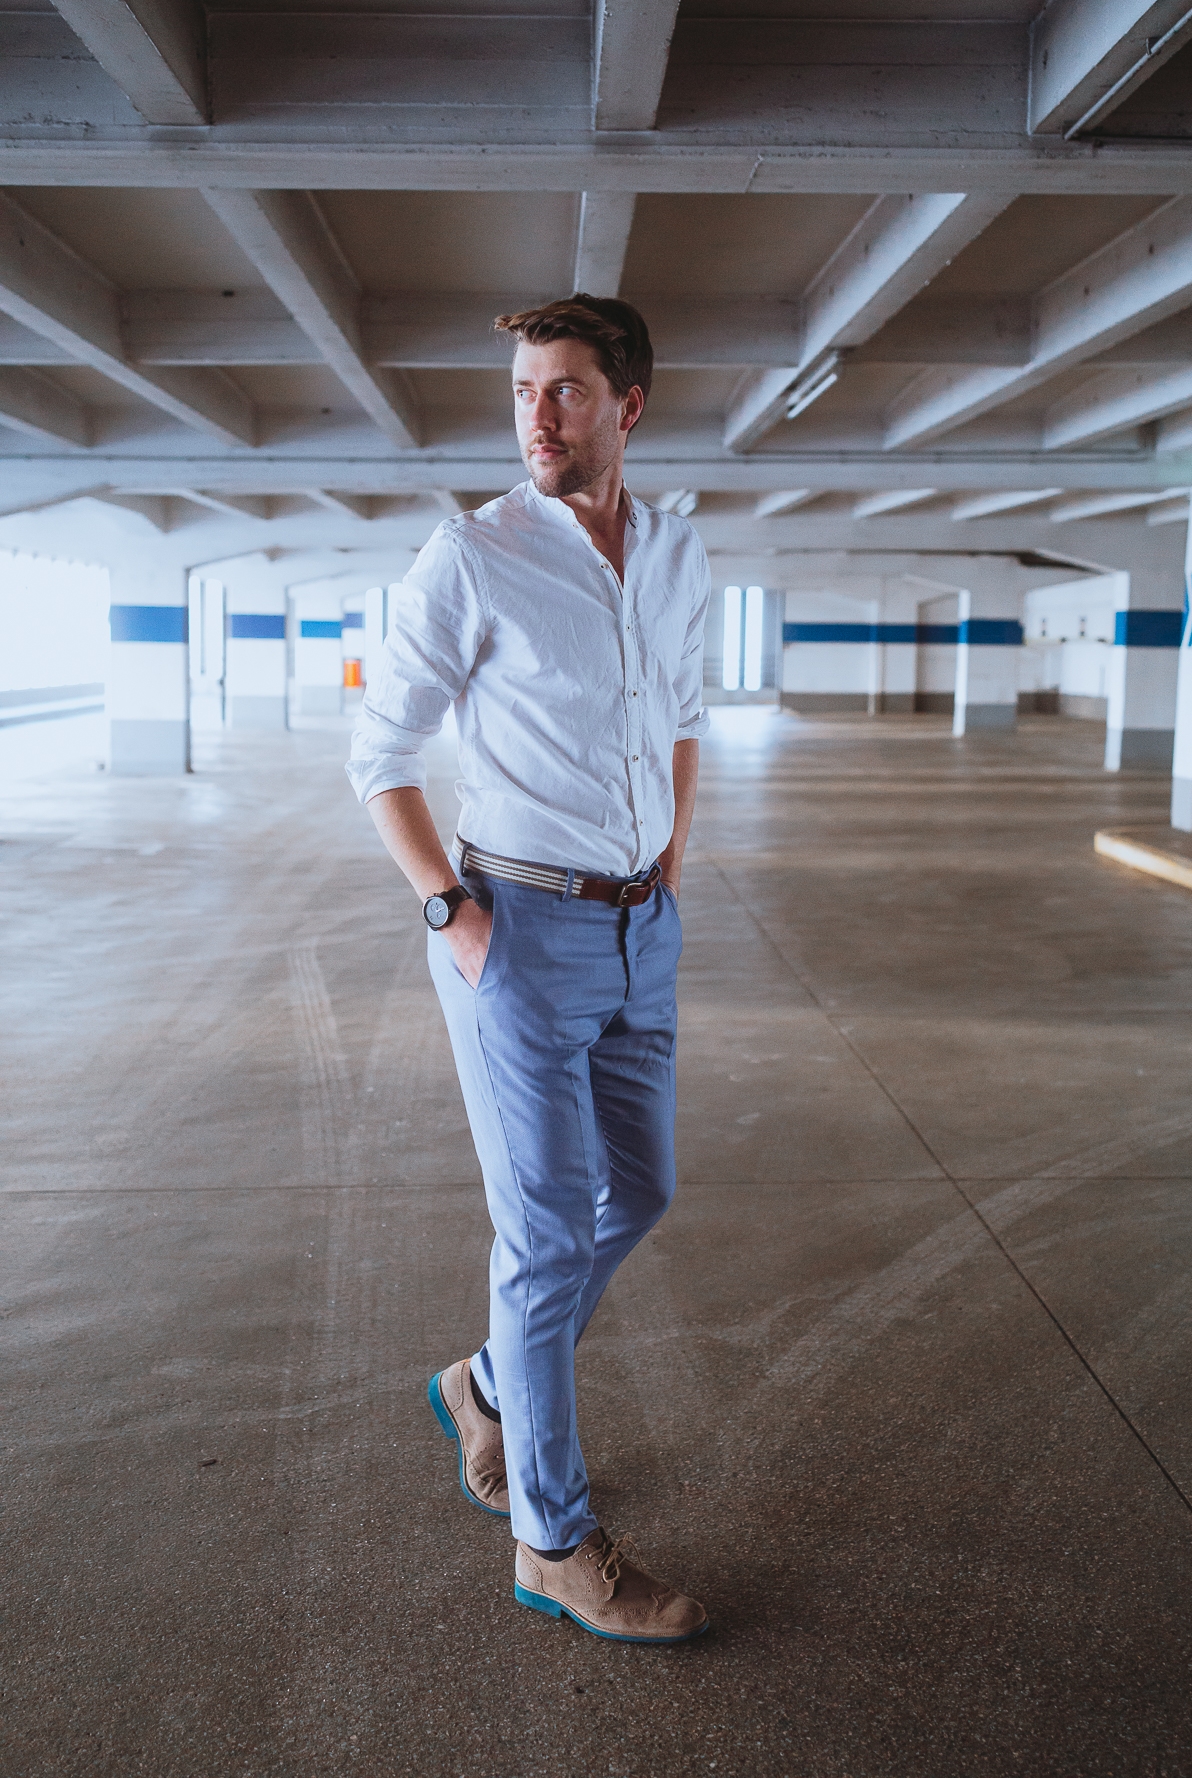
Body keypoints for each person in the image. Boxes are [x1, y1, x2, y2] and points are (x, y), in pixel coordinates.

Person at [345, 295, 711, 1644]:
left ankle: (489, 1381)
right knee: (550, 1227)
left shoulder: (676, 553)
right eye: (521, 390)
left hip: (639, 927)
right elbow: (376, 755)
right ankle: (551, 1539)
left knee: (646, 1187)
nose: (536, 415)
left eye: (563, 389)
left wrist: (672, 866)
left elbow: (679, 716)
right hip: (517, 927)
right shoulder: (473, 556)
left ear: (629, 407)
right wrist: (453, 912)